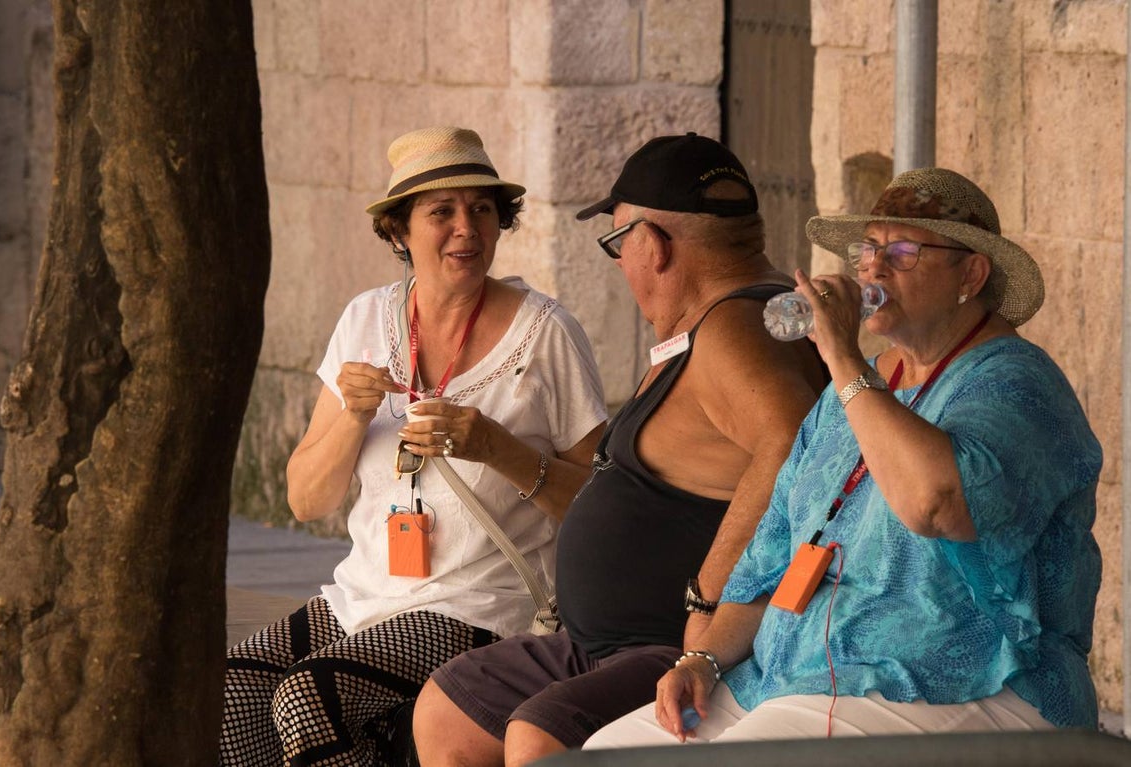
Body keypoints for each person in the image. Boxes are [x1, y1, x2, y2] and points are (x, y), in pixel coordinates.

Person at [584, 168, 1103, 750]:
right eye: (867, 250)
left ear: (971, 273)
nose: (873, 270)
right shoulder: (846, 395)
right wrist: (702, 660)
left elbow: (936, 504)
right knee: (610, 752)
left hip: (966, 680)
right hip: (798, 676)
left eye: (902, 251)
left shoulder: (1015, 382)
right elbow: (771, 558)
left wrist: (842, 356)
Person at [413, 133, 828, 766]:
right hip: (599, 637)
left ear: (654, 245)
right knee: (450, 710)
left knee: (540, 738)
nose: (619, 263)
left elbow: (795, 443)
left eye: (617, 244)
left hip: (669, 648)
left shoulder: (732, 331)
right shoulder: (724, 316)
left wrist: (707, 602)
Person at [218, 126, 608, 765]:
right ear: (399, 231)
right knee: (232, 687)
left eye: (482, 208)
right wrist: (354, 415)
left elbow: (602, 506)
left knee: (308, 698)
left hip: (483, 605)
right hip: (365, 597)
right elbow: (305, 500)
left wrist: (494, 446)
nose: (467, 227)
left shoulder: (546, 335)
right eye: (442, 211)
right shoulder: (365, 320)